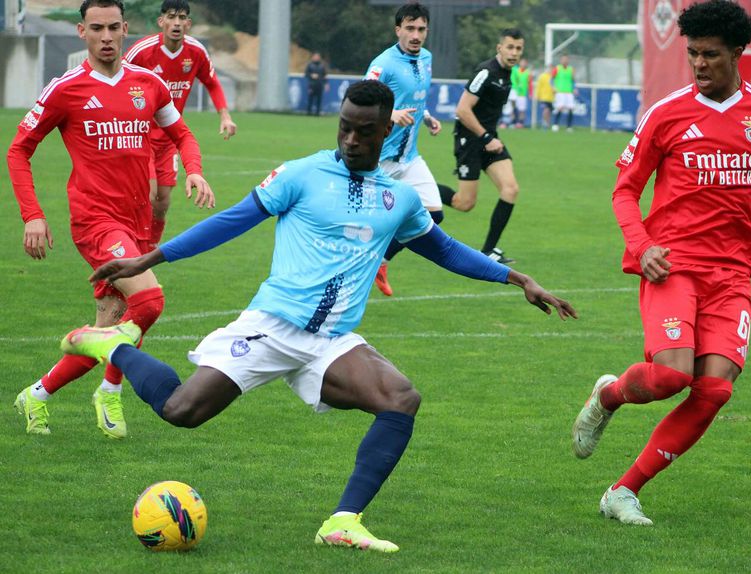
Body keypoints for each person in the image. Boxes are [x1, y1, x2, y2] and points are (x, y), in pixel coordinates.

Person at [60, 80, 577, 552]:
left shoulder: (398, 198)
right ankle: (112, 346)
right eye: (345, 128)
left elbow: (444, 250)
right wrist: (149, 259)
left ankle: (343, 521)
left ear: (386, 129)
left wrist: (517, 279)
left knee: (400, 400)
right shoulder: (301, 174)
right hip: (271, 327)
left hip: (331, 340)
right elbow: (231, 221)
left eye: (364, 131)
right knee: (181, 411)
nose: (351, 139)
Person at [571, 0, 751, 526]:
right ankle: (609, 395)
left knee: (716, 389)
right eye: (693, 54)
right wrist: (642, 246)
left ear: (738, 53)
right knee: (673, 378)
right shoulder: (666, 112)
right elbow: (624, 191)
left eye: (711, 55)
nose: (699, 65)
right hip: (672, 266)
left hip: (732, 277)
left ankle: (622, 491)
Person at [7, 0, 214, 439]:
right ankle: (110, 390)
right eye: (96, 28)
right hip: (96, 222)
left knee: (114, 324)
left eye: (113, 28)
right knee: (149, 302)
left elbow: (181, 132)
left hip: (139, 220)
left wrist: (192, 167)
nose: (105, 37)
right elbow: (18, 150)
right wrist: (33, 216)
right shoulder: (66, 88)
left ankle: (37, 395)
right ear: (82, 31)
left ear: (125, 30)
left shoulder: (148, 82)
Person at [124, 0, 235, 249]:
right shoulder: (142, 51)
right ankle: (133, 252)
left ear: (188, 23)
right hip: (140, 137)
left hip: (170, 138)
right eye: (171, 17)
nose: (176, 22)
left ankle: (148, 251)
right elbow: (119, 77)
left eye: (182, 17)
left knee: (162, 202)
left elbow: (212, 82)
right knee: (147, 196)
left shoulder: (196, 52)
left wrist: (225, 116)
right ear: (161, 21)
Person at [364, 2, 452, 297]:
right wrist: (390, 115)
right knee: (363, 225)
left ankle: (382, 260)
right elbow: (359, 101)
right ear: (398, 29)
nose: (416, 35)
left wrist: (425, 118)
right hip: (380, 160)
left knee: (434, 214)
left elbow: (416, 96)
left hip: (410, 158)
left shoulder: (426, 58)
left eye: (421, 29)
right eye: (410, 28)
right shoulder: (383, 64)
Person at [440, 28, 526, 264]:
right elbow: (462, 110)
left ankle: (488, 251)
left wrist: (490, 138)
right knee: (464, 203)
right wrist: (487, 138)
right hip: (470, 140)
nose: (514, 52)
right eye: (509, 47)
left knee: (511, 189)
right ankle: (418, 188)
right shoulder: (485, 72)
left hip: (490, 139)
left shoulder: (508, 73)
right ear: (499, 48)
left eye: (518, 48)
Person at [551, 55, 576, 132]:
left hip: (569, 92)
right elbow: (551, 79)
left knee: (571, 108)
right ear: (561, 60)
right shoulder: (557, 68)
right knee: (560, 108)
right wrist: (553, 87)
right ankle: (555, 125)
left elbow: (573, 80)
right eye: (563, 59)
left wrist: (574, 88)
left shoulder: (571, 69)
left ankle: (569, 126)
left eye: (566, 59)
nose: (565, 61)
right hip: (560, 92)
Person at [510, 58, 531, 128]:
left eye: (525, 63)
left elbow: (529, 83)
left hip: (523, 93)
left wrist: (530, 92)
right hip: (515, 91)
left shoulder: (528, 72)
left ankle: (520, 123)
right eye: (522, 62)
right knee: (513, 107)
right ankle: (513, 122)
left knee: (522, 109)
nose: (523, 64)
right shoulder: (515, 70)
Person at [305, 52, 327, 116]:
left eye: (317, 57)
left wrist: (326, 83)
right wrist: (311, 75)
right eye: (315, 56)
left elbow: (325, 75)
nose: (316, 58)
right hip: (312, 85)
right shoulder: (310, 65)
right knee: (310, 99)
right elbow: (306, 74)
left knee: (319, 100)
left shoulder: (322, 66)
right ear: (313, 57)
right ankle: (309, 112)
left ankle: (317, 113)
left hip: (319, 85)